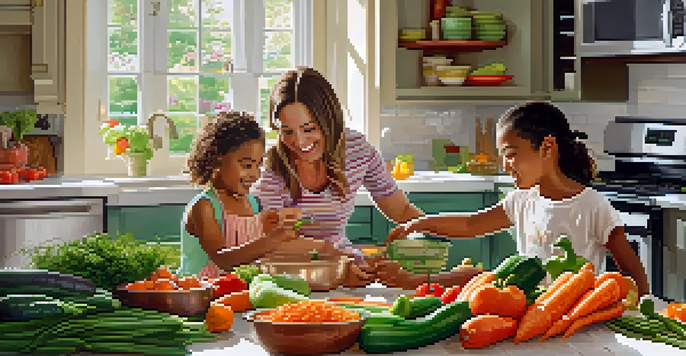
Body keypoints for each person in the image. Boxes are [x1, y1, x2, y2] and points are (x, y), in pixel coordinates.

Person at [378, 101, 650, 296]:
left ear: (547, 148)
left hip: (570, 309)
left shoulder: (592, 205)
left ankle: (411, 281)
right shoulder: (522, 200)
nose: (506, 165)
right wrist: (421, 223)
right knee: (476, 276)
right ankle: (413, 282)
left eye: (511, 153)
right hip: (525, 304)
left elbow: (635, 277)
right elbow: (472, 225)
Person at [251, 67, 458, 287]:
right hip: (290, 277)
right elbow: (275, 245)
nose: (299, 141)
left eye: (308, 128)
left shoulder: (357, 150)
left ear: (329, 120)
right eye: (287, 131)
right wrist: (337, 265)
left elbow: (402, 210)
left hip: (344, 268)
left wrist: (433, 240)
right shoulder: (270, 169)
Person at [178, 111, 299, 278]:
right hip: (199, 292)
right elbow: (222, 259)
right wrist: (270, 240)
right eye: (247, 165)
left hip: (238, 290)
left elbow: (251, 251)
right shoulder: (205, 206)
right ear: (217, 159)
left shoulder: (252, 203)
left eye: (258, 166)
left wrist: (274, 227)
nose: (255, 175)